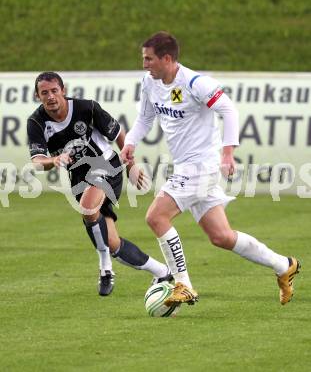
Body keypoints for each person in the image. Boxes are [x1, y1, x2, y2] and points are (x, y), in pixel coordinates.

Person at [121, 31, 301, 307]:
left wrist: (228, 153)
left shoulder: (195, 82)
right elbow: (145, 118)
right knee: (221, 236)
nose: (144, 64)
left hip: (200, 166)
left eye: (149, 59)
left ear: (167, 59)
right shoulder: (150, 83)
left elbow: (228, 110)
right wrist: (130, 142)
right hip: (186, 165)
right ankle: (284, 265)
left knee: (156, 217)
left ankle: (183, 284)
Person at [27, 71, 172, 297]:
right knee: (112, 243)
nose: (50, 96)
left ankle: (105, 269)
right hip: (79, 180)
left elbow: (118, 134)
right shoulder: (36, 122)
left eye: (54, 91)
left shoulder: (87, 108)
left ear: (63, 91)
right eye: (44, 93)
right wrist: (53, 160)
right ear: (38, 96)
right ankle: (162, 271)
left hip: (106, 165)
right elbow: (37, 161)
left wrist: (131, 165)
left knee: (87, 207)